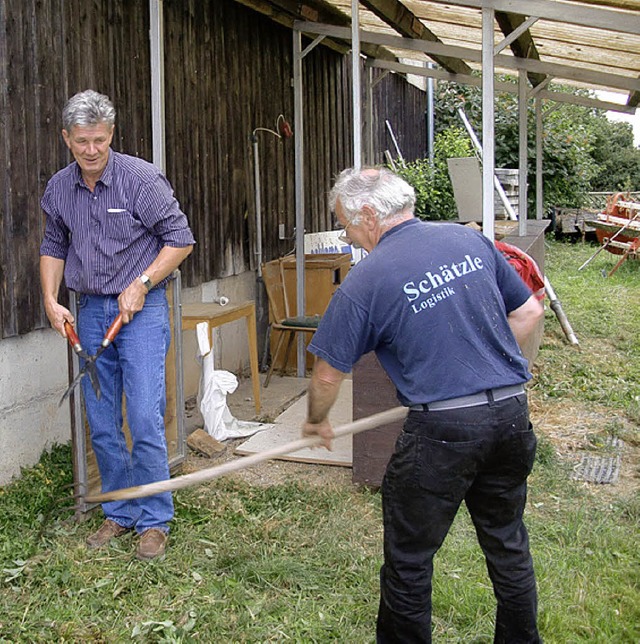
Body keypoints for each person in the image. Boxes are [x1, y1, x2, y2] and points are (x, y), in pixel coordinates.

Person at [303, 167, 544, 642]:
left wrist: (316, 420)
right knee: (508, 545)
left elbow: (329, 372)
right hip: (512, 416)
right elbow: (530, 310)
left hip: (443, 435)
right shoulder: (468, 241)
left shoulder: (365, 280)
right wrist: (483, 366)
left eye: (347, 225)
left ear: (369, 215)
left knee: (410, 561)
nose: (350, 237)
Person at [40, 89, 195, 561]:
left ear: (112, 136)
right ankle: (120, 511)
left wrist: (143, 282)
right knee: (103, 419)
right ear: (67, 138)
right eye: (82, 141)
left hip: (141, 311)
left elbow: (181, 240)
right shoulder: (59, 188)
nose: (91, 151)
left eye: (100, 141)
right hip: (89, 311)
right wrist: (50, 298)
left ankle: (155, 519)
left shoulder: (140, 179)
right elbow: (54, 243)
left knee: (145, 414)